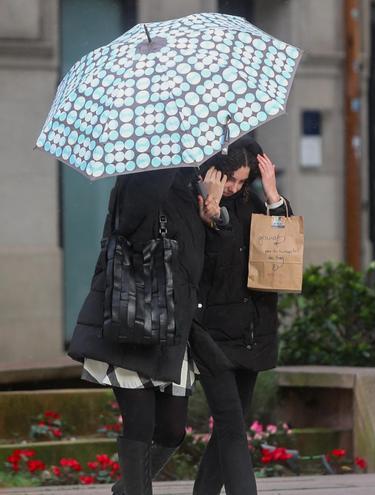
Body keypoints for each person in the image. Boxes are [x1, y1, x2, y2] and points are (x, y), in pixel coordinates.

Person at [68, 167, 226, 495]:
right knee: (139, 425)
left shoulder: (190, 181)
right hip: (135, 314)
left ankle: (126, 488)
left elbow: (203, 255)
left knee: (171, 430)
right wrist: (160, 179)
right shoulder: (140, 176)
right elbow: (129, 229)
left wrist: (213, 210)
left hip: (174, 322)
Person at [192, 137, 292, 495]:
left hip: (253, 329)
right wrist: (214, 211)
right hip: (213, 333)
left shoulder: (255, 203)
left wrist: (273, 196)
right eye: (229, 179)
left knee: (230, 427)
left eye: (241, 180)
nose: (234, 187)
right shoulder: (197, 204)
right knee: (232, 426)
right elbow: (204, 258)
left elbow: (283, 253)